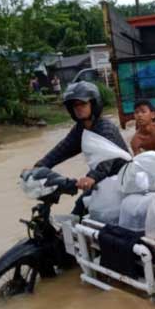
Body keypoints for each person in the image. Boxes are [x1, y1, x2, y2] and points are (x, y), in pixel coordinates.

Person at [34, 81, 129, 215]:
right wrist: (40, 166)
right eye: (75, 105)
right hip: (103, 180)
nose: (78, 108)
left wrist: (91, 177)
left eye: (83, 104)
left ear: (93, 104)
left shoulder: (105, 128)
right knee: (80, 207)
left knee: (83, 207)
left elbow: (106, 160)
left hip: (121, 180)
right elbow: (63, 148)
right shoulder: (81, 128)